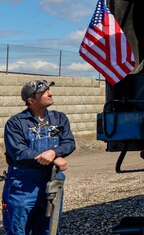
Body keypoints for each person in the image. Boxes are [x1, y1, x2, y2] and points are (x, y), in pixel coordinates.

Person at [2, 80, 75, 235]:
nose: (50, 93)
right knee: (19, 229)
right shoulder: (16, 123)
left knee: (49, 229)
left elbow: (69, 142)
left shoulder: (59, 119)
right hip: (23, 185)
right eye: (44, 92)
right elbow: (18, 152)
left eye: (49, 90)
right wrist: (52, 157)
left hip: (52, 181)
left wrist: (54, 152)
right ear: (31, 100)